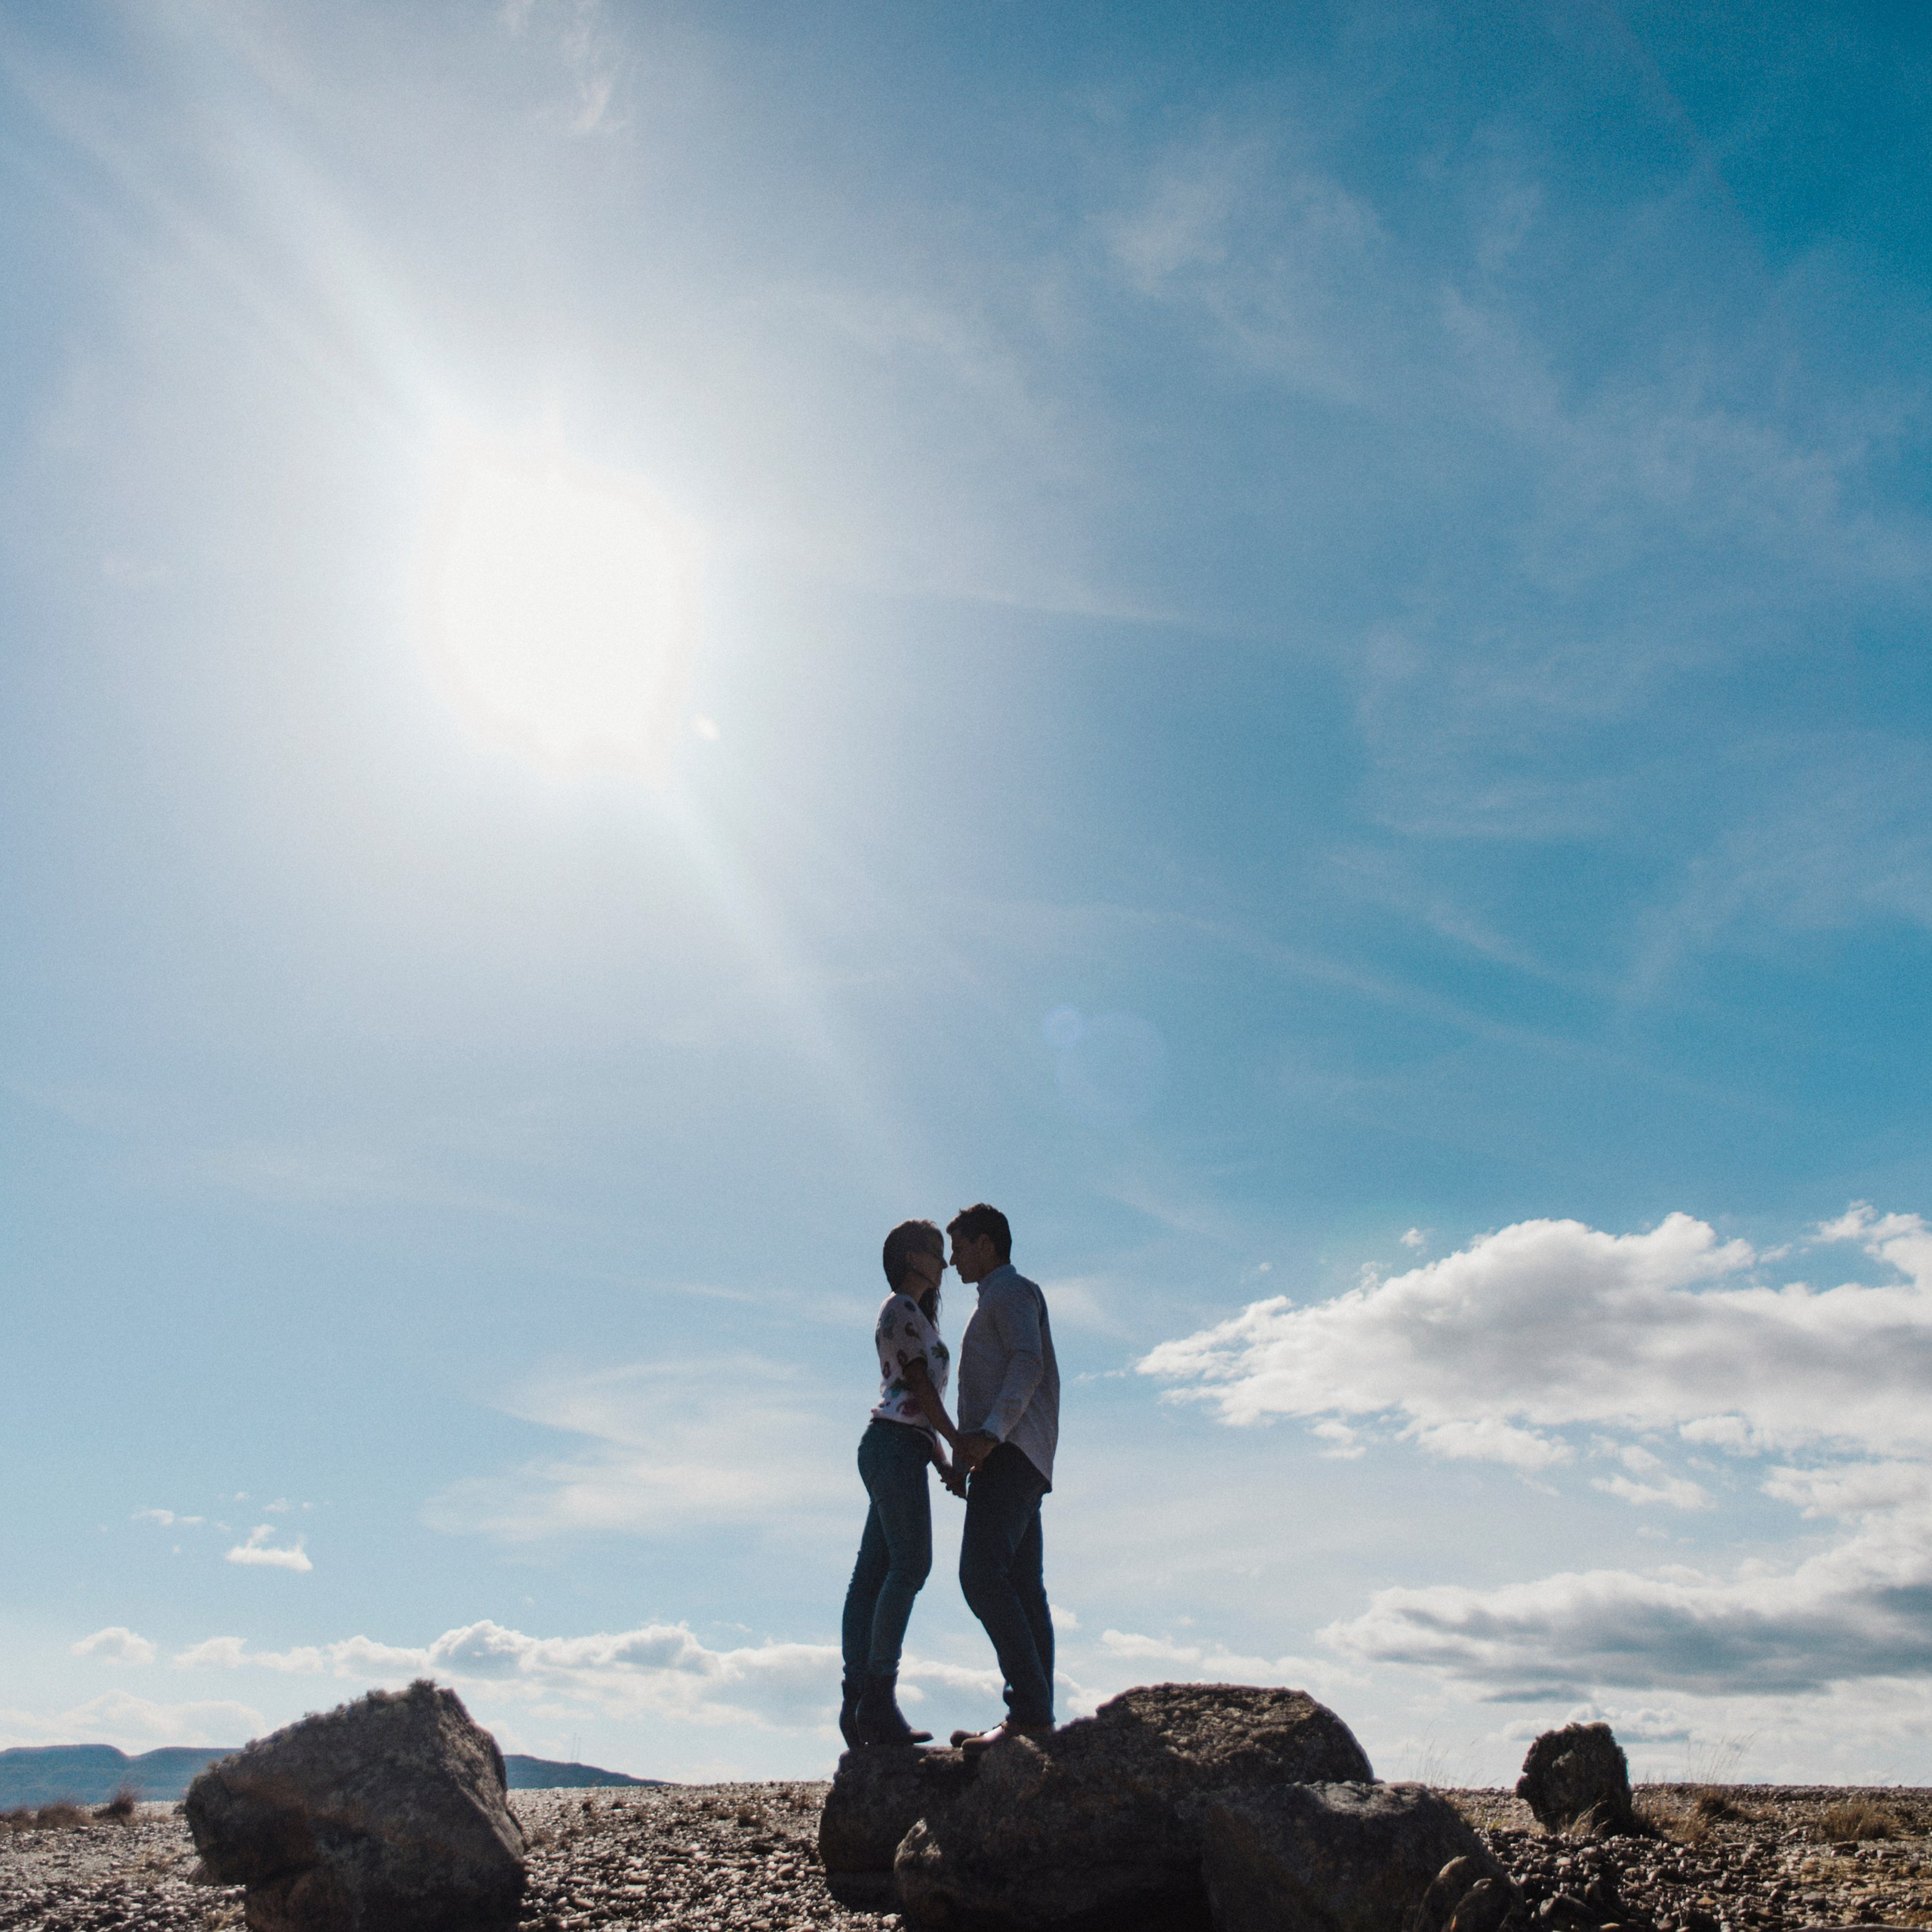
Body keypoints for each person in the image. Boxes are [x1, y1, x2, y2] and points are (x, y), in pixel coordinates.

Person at [838, 1218, 966, 1749]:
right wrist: (958, 1445)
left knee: (875, 1571)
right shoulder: (901, 1309)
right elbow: (917, 1389)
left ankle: (860, 1702)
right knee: (909, 1564)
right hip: (892, 1449)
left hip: (899, 1447)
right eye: (938, 1253)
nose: (947, 1263)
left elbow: (910, 1405)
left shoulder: (915, 1316)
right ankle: (876, 1699)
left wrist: (939, 1461)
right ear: (912, 1258)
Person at [947, 1202, 1060, 1752]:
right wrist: (967, 1453)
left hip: (1011, 1453)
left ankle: (1029, 1710)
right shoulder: (998, 1297)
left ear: (988, 1244)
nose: (952, 1259)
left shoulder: (1011, 1293)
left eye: (960, 1246)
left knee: (981, 1575)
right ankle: (1035, 1718)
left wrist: (989, 1436)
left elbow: (1026, 1362)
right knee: (1021, 1586)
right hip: (1016, 1455)